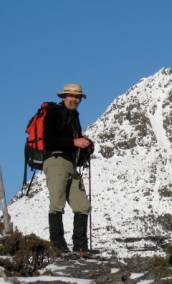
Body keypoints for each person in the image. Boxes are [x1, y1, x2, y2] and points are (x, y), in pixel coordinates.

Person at [43, 83, 93, 256]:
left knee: (83, 205)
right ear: (64, 96)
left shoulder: (74, 117)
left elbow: (73, 143)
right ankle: (58, 247)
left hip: (70, 164)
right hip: (55, 160)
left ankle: (80, 247)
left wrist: (85, 146)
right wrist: (74, 142)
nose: (75, 99)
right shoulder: (54, 113)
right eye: (72, 96)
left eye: (78, 97)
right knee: (57, 203)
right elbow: (49, 140)